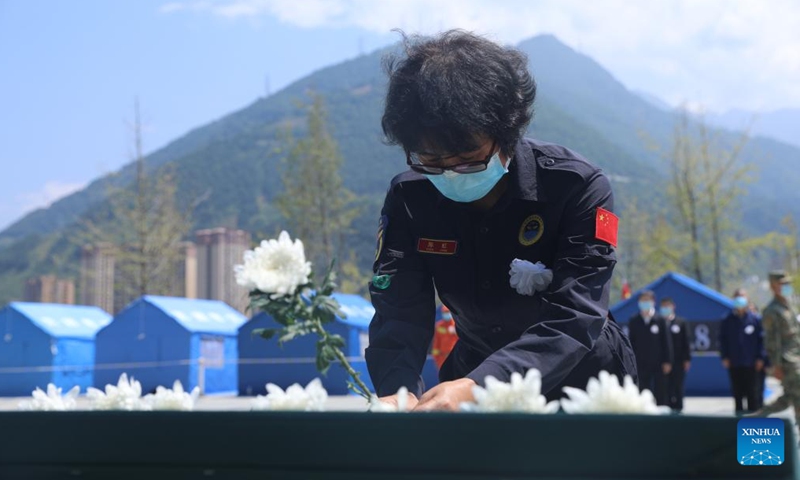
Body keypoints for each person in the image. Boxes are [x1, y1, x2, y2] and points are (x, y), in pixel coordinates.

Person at [366, 30, 637, 411]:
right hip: (468, 377)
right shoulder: (409, 199)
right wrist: (398, 391)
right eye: (431, 160)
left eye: (467, 156)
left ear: (507, 131)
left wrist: (479, 386)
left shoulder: (576, 186)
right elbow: (399, 310)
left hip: (585, 383)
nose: (451, 172)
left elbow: (576, 316)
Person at [753, 271, 800, 418]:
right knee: (797, 394)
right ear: (774, 286)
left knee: (790, 397)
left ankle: (758, 417)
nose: (787, 286)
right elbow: (772, 342)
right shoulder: (771, 311)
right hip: (787, 361)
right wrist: (777, 366)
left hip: (797, 356)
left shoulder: (790, 306)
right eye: (783, 284)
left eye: (787, 283)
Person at [719, 288, 765, 413]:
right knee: (738, 395)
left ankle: (752, 426)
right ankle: (738, 424)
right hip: (734, 363)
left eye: (742, 297)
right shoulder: (727, 320)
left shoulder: (755, 320)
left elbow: (761, 340)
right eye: (737, 297)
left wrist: (760, 358)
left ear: (747, 300)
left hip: (752, 364)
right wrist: (725, 357)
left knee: (753, 395)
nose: (740, 299)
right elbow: (722, 340)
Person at [627, 291, 672, 406]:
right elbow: (631, 343)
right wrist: (631, 362)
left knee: (660, 391)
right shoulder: (634, 320)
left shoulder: (660, 320)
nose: (645, 303)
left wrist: (667, 361)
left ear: (653, 302)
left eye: (647, 300)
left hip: (658, 363)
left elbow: (666, 342)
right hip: (640, 363)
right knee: (642, 391)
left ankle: (662, 417)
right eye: (643, 300)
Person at [660, 297, 691, 411]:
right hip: (663, 364)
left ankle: (679, 413)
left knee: (678, 389)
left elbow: (686, 342)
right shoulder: (659, 322)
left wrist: (687, 359)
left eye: (668, 306)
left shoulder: (680, 322)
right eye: (663, 306)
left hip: (678, 362)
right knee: (665, 390)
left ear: (673, 306)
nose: (665, 308)